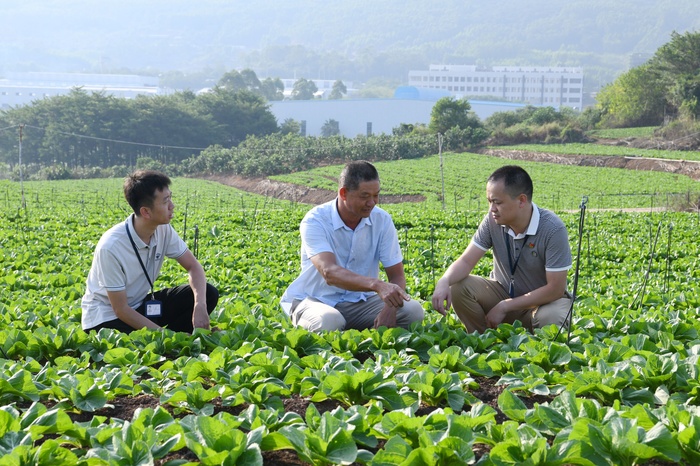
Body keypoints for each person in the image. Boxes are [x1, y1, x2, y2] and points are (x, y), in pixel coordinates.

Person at [280, 160, 424, 332]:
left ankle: (363, 337)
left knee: (413, 311)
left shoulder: (382, 220)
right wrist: (376, 285)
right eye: (364, 196)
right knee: (329, 321)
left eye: (376, 195)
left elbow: (397, 276)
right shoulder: (315, 220)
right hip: (317, 300)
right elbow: (329, 272)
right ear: (343, 193)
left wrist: (390, 308)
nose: (372, 202)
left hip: (361, 302)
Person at [432, 165, 572, 333]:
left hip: (542, 304)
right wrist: (444, 281)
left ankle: (537, 351)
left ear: (521, 200)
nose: (492, 209)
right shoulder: (492, 221)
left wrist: (505, 306)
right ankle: (483, 342)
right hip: (503, 295)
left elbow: (555, 289)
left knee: (553, 317)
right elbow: (466, 261)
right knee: (458, 286)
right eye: (490, 202)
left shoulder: (552, 229)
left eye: (497, 202)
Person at [81, 170, 218, 334]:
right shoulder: (111, 247)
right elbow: (121, 309)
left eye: (170, 198)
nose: (172, 205)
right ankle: (173, 342)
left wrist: (199, 305)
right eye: (165, 201)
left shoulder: (164, 229)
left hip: (139, 305)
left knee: (208, 293)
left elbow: (193, 266)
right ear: (146, 212)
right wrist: (164, 335)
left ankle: (180, 341)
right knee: (128, 343)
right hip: (106, 317)